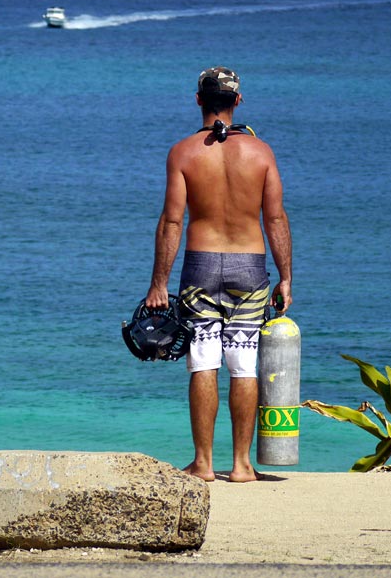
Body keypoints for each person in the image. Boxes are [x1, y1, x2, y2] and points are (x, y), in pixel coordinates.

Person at [146, 66, 292, 483]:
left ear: (198, 100)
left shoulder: (183, 152)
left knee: (203, 363)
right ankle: (243, 466)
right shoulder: (261, 153)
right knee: (244, 366)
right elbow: (276, 218)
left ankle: (204, 464)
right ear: (238, 102)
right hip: (249, 265)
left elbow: (172, 222)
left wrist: (159, 282)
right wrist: (285, 277)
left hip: (200, 263)